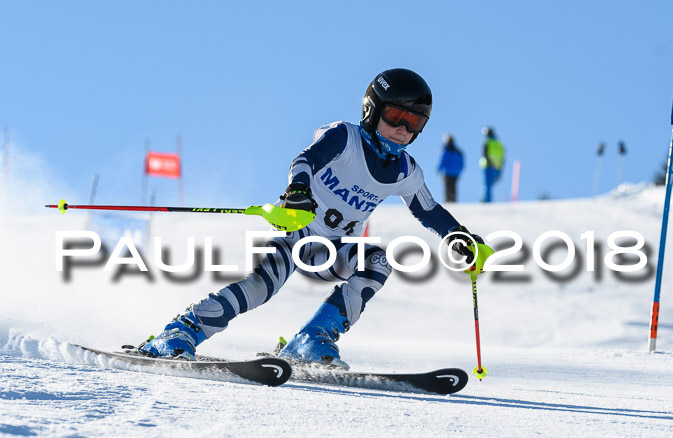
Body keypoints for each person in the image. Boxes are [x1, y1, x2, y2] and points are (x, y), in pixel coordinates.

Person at [139, 68, 489, 369]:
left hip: (332, 251)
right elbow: (304, 161)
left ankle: (310, 341)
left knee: (379, 262)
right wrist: (298, 192)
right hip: (297, 234)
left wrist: (460, 237)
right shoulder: (346, 137)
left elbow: (427, 210)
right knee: (262, 288)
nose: (402, 129)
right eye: (396, 116)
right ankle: (178, 332)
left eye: (413, 123)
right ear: (372, 110)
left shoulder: (406, 170)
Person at [480, 127, 505, 203]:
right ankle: (487, 199)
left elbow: (485, 155)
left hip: (488, 166)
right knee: (490, 185)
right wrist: (500, 171)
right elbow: (502, 159)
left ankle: (487, 200)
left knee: (487, 185)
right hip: (497, 168)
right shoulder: (499, 144)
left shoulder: (487, 142)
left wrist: (491, 163)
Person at [437, 134, 464, 202]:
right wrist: (459, 170)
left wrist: (439, 169)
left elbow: (443, 161)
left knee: (447, 187)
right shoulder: (458, 151)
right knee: (453, 187)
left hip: (448, 172)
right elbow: (461, 163)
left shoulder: (447, 150)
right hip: (456, 173)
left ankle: (448, 202)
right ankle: (453, 201)